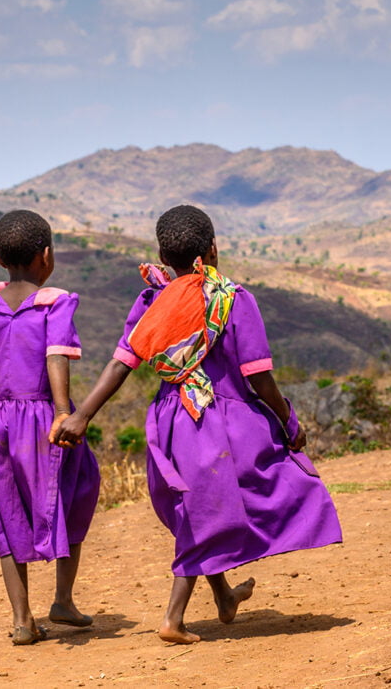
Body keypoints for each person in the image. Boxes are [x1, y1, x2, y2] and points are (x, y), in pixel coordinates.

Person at [54, 204, 343, 644]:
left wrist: (82, 416)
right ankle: (172, 619)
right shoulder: (231, 297)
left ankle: (224, 596)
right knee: (252, 497)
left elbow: (120, 364)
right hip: (218, 421)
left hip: (171, 422)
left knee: (206, 505)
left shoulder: (153, 298)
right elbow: (258, 375)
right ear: (212, 248)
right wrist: (288, 419)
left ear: (162, 253)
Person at [0, 209, 100, 646]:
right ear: (46, 256)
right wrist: (60, 412)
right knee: (79, 486)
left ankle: (22, 619)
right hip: (43, 418)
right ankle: (63, 600)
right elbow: (56, 356)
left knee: (6, 510)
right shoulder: (56, 301)